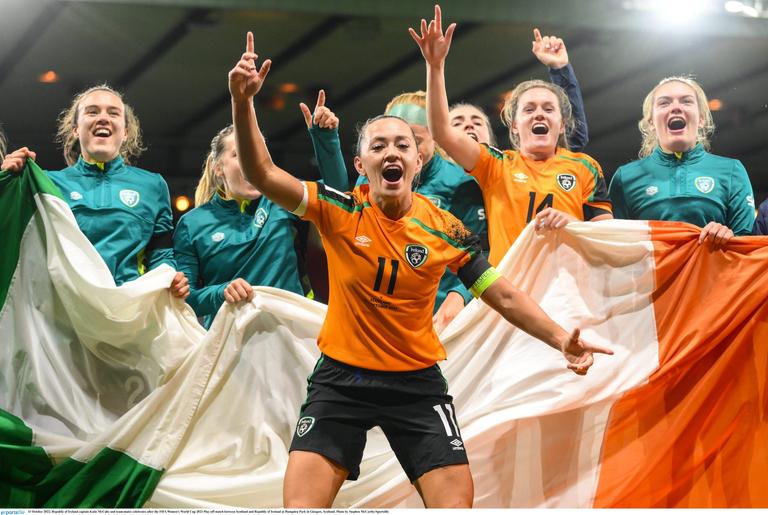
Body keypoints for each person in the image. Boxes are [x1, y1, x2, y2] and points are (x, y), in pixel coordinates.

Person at [229, 31, 612, 508]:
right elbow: (263, 173)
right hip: (341, 381)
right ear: (361, 164)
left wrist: (561, 339)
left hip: (416, 383)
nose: (391, 152)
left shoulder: (445, 229)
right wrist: (242, 103)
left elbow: (501, 293)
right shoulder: (338, 209)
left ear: (418, 159)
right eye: (379, 146)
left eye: (402, 145)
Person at [413, 6, 613, 268]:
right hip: (511, 287)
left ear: (563, 124)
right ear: (515, 125)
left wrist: (574, 225)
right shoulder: (496, 165)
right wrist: (435, 65)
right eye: (529, 109)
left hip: (566, 284)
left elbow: (607, 236)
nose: (539, 114)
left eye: (548, 109)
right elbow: (442, 131)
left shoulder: (585, 167)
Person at [172, 91, 347, 328]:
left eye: (255, 150)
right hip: (229, 339)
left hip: (292, 334)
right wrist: (221, 292)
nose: (249, 159)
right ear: (218, 168)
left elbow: (337, 196)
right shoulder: (192, 223)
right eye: (238, 154)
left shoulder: (284, 199)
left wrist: (326, 140)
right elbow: (186, 298)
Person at [1, 85, 188, 297]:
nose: (103, 118)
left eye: (113, 113)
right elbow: (11, 239)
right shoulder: (48, 184)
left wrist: (170, 277)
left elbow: (160, 254)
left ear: (125, 132)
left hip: (130, 306)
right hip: (67, 307)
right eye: (92, 112)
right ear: (76, 129)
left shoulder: (153, 185)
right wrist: (6, 183)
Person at [608, 76, 755, 248]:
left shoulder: (732, 171)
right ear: (651, 122)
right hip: (653, 267)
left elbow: (748, 247)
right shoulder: (625, 178)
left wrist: (728, 236)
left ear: (701, 119)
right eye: (664, 103)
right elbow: (613, 247)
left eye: (686, 101)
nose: (676, 107)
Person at [449, 28, 589, 152]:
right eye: (457, 123)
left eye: (478, 123)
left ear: (491, 140)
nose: (469, 125)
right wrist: (437, 66)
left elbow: (571, 140)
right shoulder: (437, 170)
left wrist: (560, 68)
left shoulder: (502, 168)